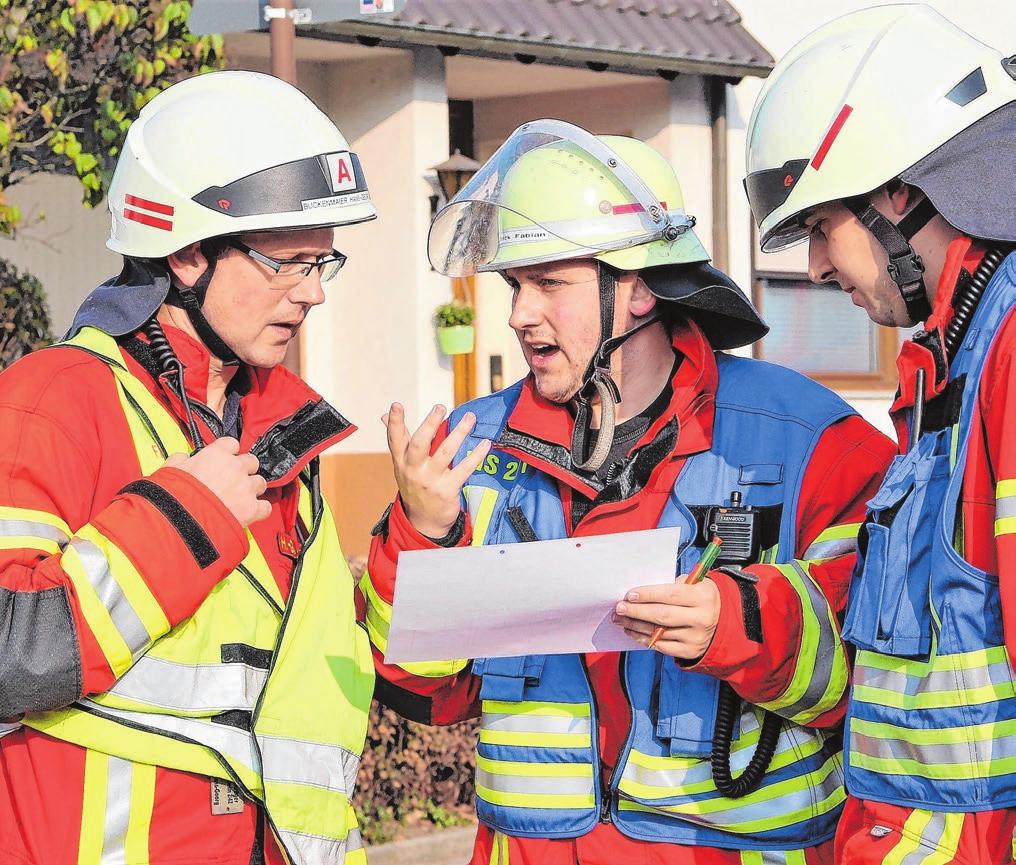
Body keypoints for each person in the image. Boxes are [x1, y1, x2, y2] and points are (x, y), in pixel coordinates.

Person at [361, 119, 894, 864]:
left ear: (638, 289)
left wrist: (735, 622)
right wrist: (423, 534)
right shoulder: (469, 450)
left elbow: (876, 683)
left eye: (549, 282)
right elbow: (423, 693)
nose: (519, 313)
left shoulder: (810, 440)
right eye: (515, 284)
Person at [0, 70, 376, 865]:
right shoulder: (53, 401)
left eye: (322, 263)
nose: (312, 293)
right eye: (288, 262)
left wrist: (424, 530)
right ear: (188, 253)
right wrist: (183, 519)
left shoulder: (281, 435)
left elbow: (329, 680)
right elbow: (8, 655)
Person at [744, 5, 1016, 862]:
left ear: (899, 194)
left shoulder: (1005, 353)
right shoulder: (944, 370)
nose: (817, 267)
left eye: (823, 226)